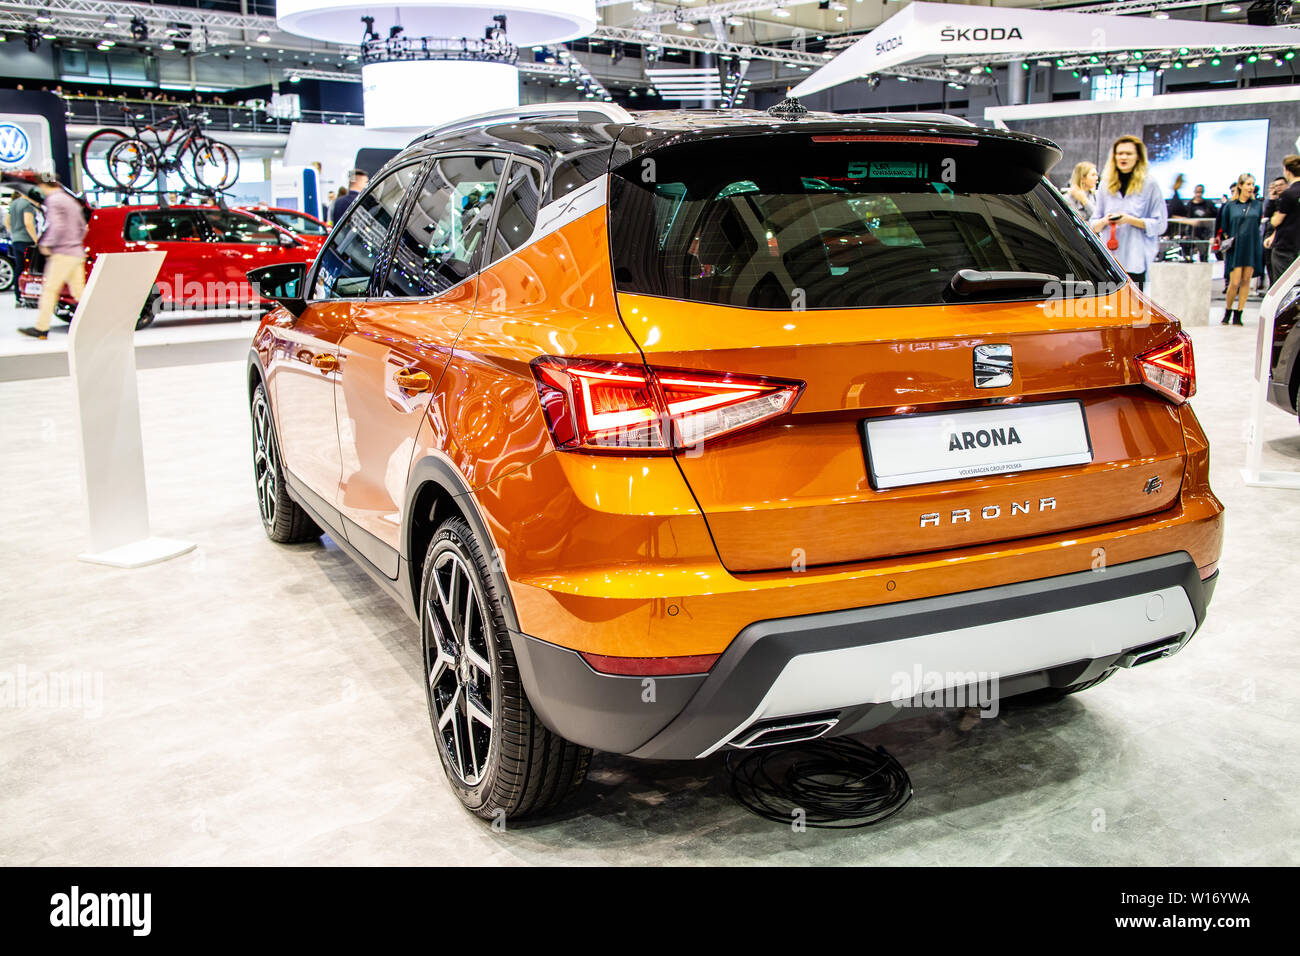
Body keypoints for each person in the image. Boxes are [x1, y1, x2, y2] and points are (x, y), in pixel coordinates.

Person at [17, 174, 88, 341]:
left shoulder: (54, 201)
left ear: (43, 185)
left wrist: (46, 243)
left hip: (62, 253)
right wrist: (75, 242)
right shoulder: (70, 200)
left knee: (49, 291)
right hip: (76, 253)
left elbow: (57, 226)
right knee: (80, 293)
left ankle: (41, 328)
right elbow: (83, 227)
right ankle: (98, 323)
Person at [1091, 135, 1167, 290]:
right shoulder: (1105, 184)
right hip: (1109, 261)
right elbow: (1093, 224)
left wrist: (1130, 220)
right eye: (1119, 153)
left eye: (1128, 153)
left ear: (1138, 156)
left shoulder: (1149, 184)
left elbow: (1160, 225)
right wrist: (1105, 221)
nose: (1123, 157)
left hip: (1136, 259)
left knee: (1133, 307)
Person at [1217, 172, 1264, 326]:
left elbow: (1257, 223)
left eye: (1252, 184)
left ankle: (1239, 314)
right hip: (1235, 248)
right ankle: (1228, 310)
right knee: (1234, 282)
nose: (1251, 187)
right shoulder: (1230, 206)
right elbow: (1224, 228)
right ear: (1241, 186)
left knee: (1246, 281)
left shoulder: (1257, 205)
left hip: (1251, 246)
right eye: (1248, 184)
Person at [1265, 154, 1300, 288]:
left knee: (1282, 286)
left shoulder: (1288, 194)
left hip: (1285, 247)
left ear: (1287, 171)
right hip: (1297, 246)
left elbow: (1276, 221)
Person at [3, 186, 42, 306]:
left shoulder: (14, 204)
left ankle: (18, 296)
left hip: (16, 240)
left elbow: (6, 222)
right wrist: (36, 240)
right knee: (31, 270)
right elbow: (28, 223)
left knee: (19, 268)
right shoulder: (27, 205)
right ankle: (30, 296)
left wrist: (14, 233)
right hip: (27, 241)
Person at [1184, 184, 1217, 262]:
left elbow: (1215, 217)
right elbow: (1186, 220)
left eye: (1200, 192)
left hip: (1206, 233)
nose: (1199, 194)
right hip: (1193, 233)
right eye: (1197, 192)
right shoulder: (1190, 205)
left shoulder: (1209, 204)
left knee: (1204, 255)